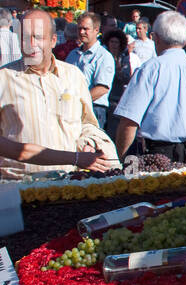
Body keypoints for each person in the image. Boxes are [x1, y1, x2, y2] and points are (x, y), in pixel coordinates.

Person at [0, 9, 118, 179]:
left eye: (38, 37)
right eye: (25, 37)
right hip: (18, 187)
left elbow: (87, 123)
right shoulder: (4, 79)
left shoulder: (73, 76)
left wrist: (89, 143)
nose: (30, 44)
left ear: (53, 40)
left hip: (69, 184)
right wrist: (76, 158)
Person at [112, 11, 186, 168]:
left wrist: (124, 163)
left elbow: (128, 122)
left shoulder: (149, 70)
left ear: (155, 38)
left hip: (158, 158)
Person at [65, 12, 116, 130]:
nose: (81, 32)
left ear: (96, 30)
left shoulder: (103, 56)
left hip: (94, 109)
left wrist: (79, 100)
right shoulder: (73, 54)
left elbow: (102, 88)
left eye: (85, 29)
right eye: (79, 28)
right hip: (72, 108)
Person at [101, 29, 134, 138]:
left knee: (112, 131)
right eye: (112, 42)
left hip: (115, 97)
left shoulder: (124, 57)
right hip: (102, 97)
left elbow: (127, 77)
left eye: (116, 42)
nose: (114, 45)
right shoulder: (103, 55)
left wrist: (118, 69)